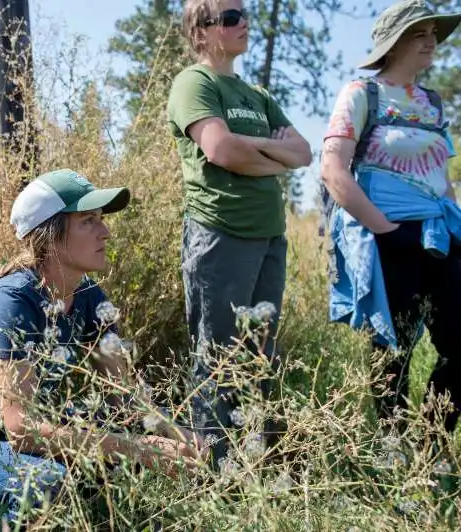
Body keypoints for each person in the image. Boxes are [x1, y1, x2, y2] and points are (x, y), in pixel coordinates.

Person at [0, 169, 202, 528]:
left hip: (25, 447)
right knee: (46, 482)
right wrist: (139, 448)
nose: (106, 232)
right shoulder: (11, 301)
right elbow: (21, 429)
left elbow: (124, 399)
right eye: (88, 221)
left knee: (105, 455)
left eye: (101, 219)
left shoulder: (89, 298)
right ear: (51, 234)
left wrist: (176, 436)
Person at [166, 0, 312, 464]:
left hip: (270, 237)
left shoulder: (257, 94)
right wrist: (271, 155)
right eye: (230, 18)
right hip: (220, 235)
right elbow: (221, 150)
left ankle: (252, 464)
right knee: (218, 361)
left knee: (258, 357)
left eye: (243, 14)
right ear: (201, 32)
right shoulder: (195, 83)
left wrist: (253, 145)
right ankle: (209, 472)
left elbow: (304, 153)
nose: (243, 23)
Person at [321, 0, 461, 439]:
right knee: (392, 355)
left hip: (441, 234)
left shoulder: (432, 103)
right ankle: (393, 459)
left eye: (434, 34)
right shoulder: (363, 94)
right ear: (394, 43)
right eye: (420, 33)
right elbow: (332, 170)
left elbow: (443, 179)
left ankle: (431, 448)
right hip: (387, 237)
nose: (432, 41)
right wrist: (385, 230)